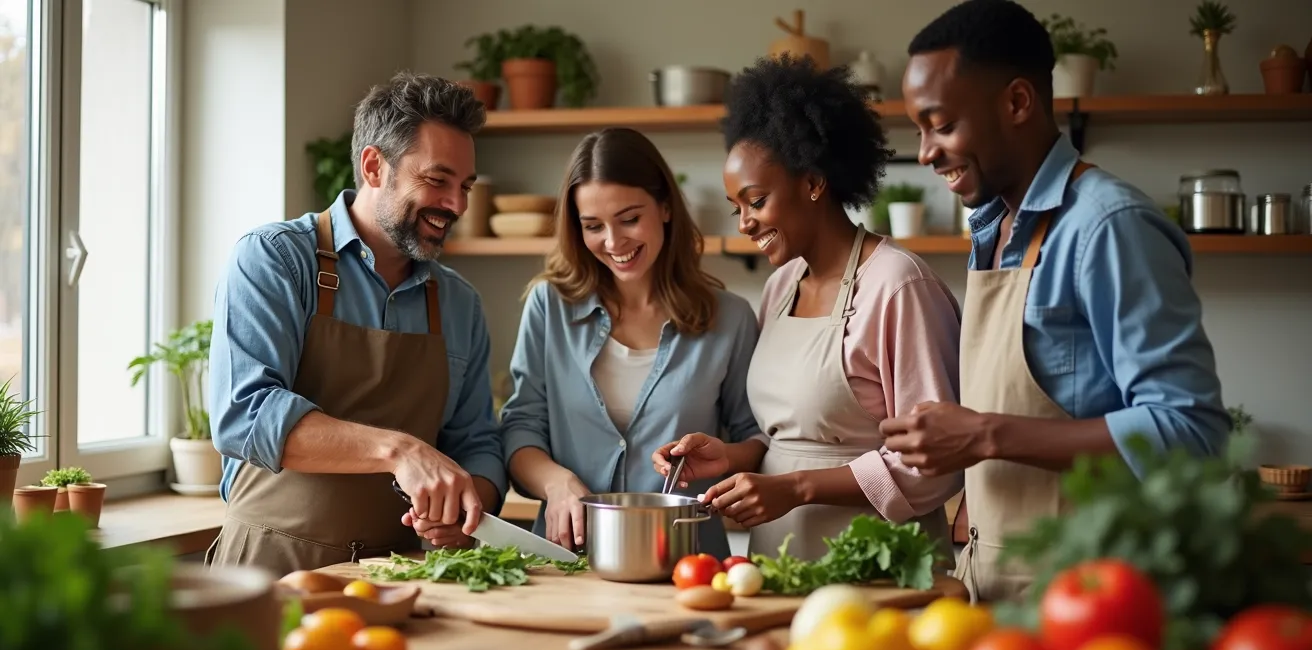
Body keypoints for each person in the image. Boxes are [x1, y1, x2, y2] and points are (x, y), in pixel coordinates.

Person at [884, 0, 1230, 602]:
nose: (925, 152)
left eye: (941, 125)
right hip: (996, 595)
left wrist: (985, 435)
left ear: (1018, 102)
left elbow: (1192, 434)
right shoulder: (994, 229)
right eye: (919, 130)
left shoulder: (1107, 225)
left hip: (1095, 605)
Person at [652, 55, 965, 562]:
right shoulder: (781, 286)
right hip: (780, 560)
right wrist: (730, 456)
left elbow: (934, 463)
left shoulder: (899, 286)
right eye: (737, 208)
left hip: (878, 565)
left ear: (813, 183)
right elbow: (788, 435)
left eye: (757, 201)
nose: (745, 223)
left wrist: (797, 488)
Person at [206, 72, 507, 577]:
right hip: (268, 571)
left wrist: (468, 507)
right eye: (437, 180)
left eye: (465, 187)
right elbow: (245, 414)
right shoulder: (275, 260)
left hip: (398, 576)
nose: (457, 205)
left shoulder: (459, 303)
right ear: (373, 166)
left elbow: (477, 442)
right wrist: (399, 451)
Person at [499, 127, 765, 559]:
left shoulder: (730, 318)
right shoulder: (549, 305)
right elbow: (521, 427)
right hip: (567, 555)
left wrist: (724, 458)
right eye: (593, 226)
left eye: (629, 219)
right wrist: (556, 483)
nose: (613, 241)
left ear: (665, 207)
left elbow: (756, 438)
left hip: (685, 556)